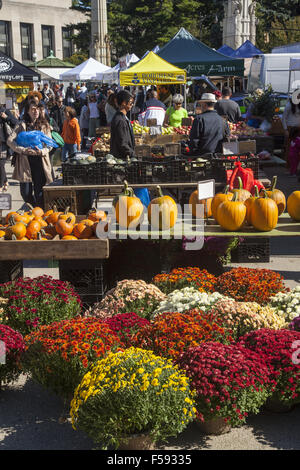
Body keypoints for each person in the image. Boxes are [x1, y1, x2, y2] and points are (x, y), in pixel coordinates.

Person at [7, 100, 53, 207]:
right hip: (25, 163)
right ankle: (34, 208)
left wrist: (42, 151)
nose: (35, 111)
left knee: (39, 192)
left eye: (37, 109)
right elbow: (10, 140)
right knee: (25, 193)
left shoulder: (44, 125)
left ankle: (38, 213)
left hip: (40, 162)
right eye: (32, 109)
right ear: (27, 111)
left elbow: (50, 144)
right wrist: (22, 150)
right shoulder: (21, 125)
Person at [110, 90, 135, 160]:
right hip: (121, 158)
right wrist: (133, 154)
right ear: (124, 103)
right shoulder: (120, 120)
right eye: (130, 103)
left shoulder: (122, 117)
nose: (132, 105)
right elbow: (123, 143)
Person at [0, 104, 19, 192]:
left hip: (3, 143)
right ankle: (5, 181)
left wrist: (6, 117)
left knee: (1, 164)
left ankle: (0, 185)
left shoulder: (4, 111)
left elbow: (16, 123)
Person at [282, 98, 300, 163]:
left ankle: (295, 167)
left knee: (297, 150)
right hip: (291, 129)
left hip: (298, 129)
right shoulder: (289, 105)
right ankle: (288, 166)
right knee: (290, 149)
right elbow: (283, 118)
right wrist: (285, 129)